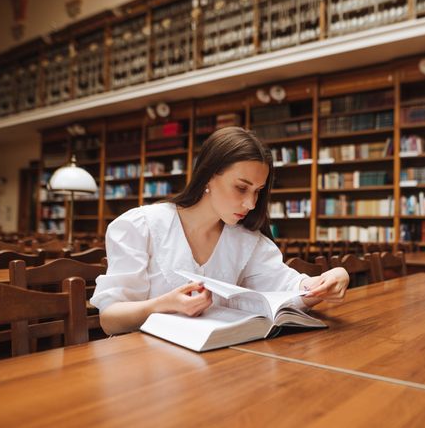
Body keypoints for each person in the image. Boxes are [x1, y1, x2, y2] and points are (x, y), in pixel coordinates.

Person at [91, 126, 349, 335]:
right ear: (208, 177)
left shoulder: (246, 239)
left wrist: (329, 279)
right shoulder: (140, 227)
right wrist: (164, 304)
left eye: (258, 191)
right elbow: (110, 320)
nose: (251, 204)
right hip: (143, 370)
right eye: (241, 188)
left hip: (216, 367)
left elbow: (288, 287)